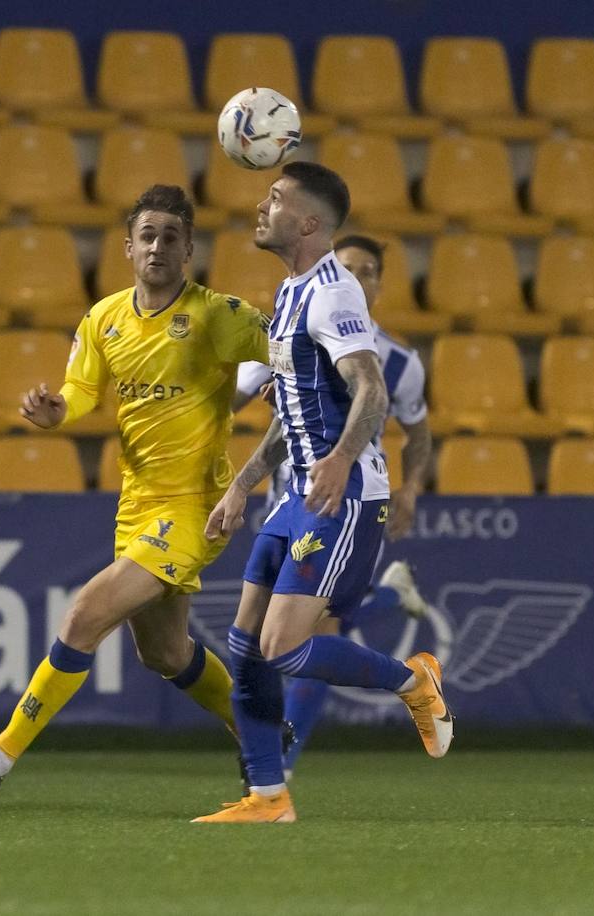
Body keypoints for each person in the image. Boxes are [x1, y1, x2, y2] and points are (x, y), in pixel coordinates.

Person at [0, 185, 272, 799]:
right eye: (147, 236)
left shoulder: (219, 315)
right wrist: (58, 410)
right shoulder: (104, 318)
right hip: (139, 504)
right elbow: (84, 390)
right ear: (128, 248)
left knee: (85, 614)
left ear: (189, 249)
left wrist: (288, 387)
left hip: (196, 505)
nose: (157, 247)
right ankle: (259, 733)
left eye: (171, 237)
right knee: (166, 653)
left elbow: (286, 348)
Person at [191, 162, 452, 824]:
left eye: (275, 199)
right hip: (293, 499)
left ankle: (413, 680)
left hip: (342, 497)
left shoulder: (334, 294)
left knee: (281, 649)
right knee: (245, 646)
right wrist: (244, 486)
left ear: (307, 222)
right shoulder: (288, 294)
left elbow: (372, 387)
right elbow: (293, 416)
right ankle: (269, 798)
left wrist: (337, 460)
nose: (261, 206)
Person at [230, 234, 434, 777]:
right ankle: (393, 596)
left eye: (370, 271)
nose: (358, 279)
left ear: (380, 284)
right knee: (262, 636)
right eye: (349, 268)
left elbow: (418, 432)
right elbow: (232, 396)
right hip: (286, 500)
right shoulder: (293, 327)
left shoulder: (398, 364)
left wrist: (410, 488)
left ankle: (279, 769)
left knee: (308, 637)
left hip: (341, 502)